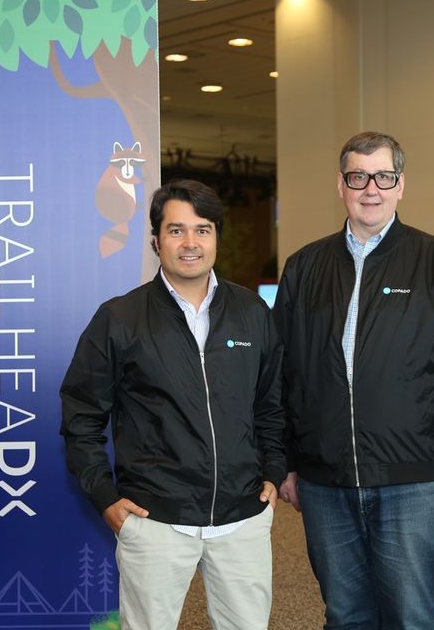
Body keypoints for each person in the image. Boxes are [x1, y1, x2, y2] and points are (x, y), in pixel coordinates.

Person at [273, 131, 434, 629]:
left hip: (413, 479)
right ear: (341, 185)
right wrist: (283, 461)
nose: (370, 188)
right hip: (324, 479)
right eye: (358, 177)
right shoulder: (304, 267)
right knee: (344, 614)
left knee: (410, 616)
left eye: (383, 176)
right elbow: (279, 373)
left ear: (401, 186)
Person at [60, 179, 286, 630]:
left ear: (217, 238)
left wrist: (274, 471)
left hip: (242, 519)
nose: (190, 243)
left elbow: (271, 404)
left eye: (202, 230)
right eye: (176, 230)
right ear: (156, 241)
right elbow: (81, 415)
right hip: (155, 521)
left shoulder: (252, 313)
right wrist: (105, 497)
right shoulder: (119, 318)